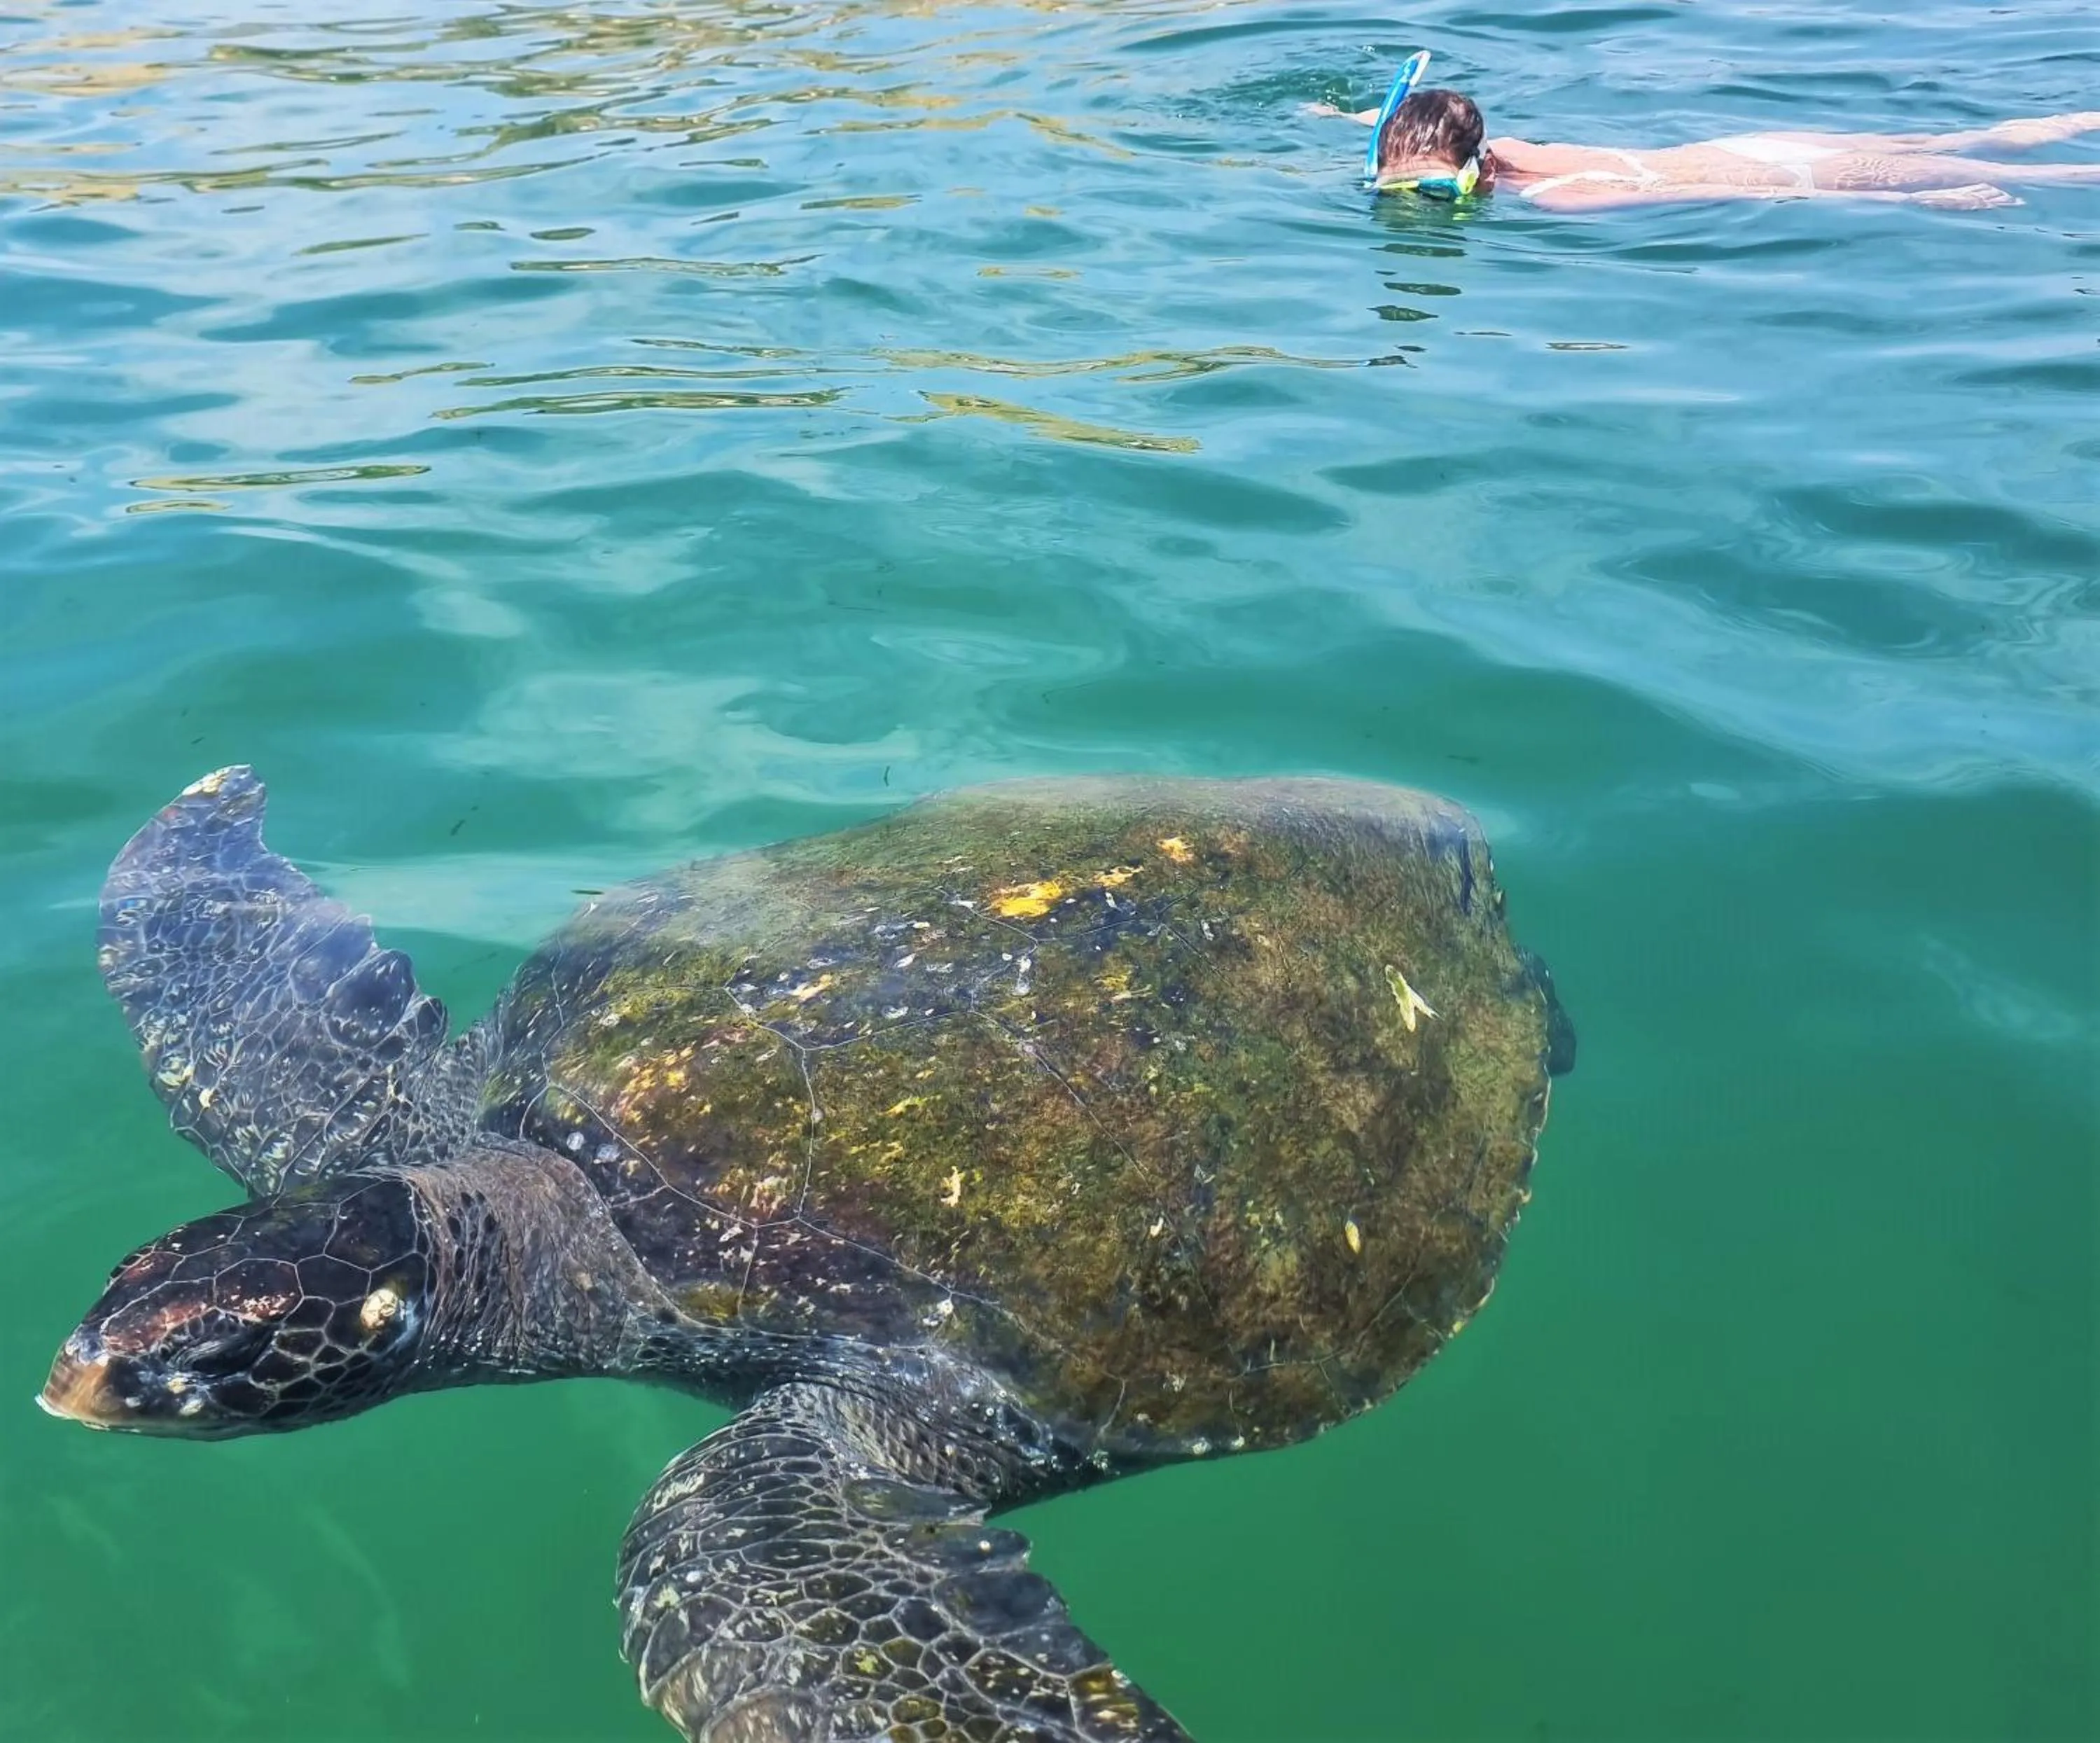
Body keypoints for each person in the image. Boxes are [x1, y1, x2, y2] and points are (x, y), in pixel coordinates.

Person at [1315, 54, 2100, 212]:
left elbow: (1725, 191)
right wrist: (1345, 115)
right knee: (1967, 139)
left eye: (1426, 190)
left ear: (1475, 175)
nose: (1411, 200)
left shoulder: (1563, 196)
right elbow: (1405, 123)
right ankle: (2075, 119)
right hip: (1763, 140)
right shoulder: (1507, 147)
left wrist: (1913, 205)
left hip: (1789, 174)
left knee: (2041, 177)